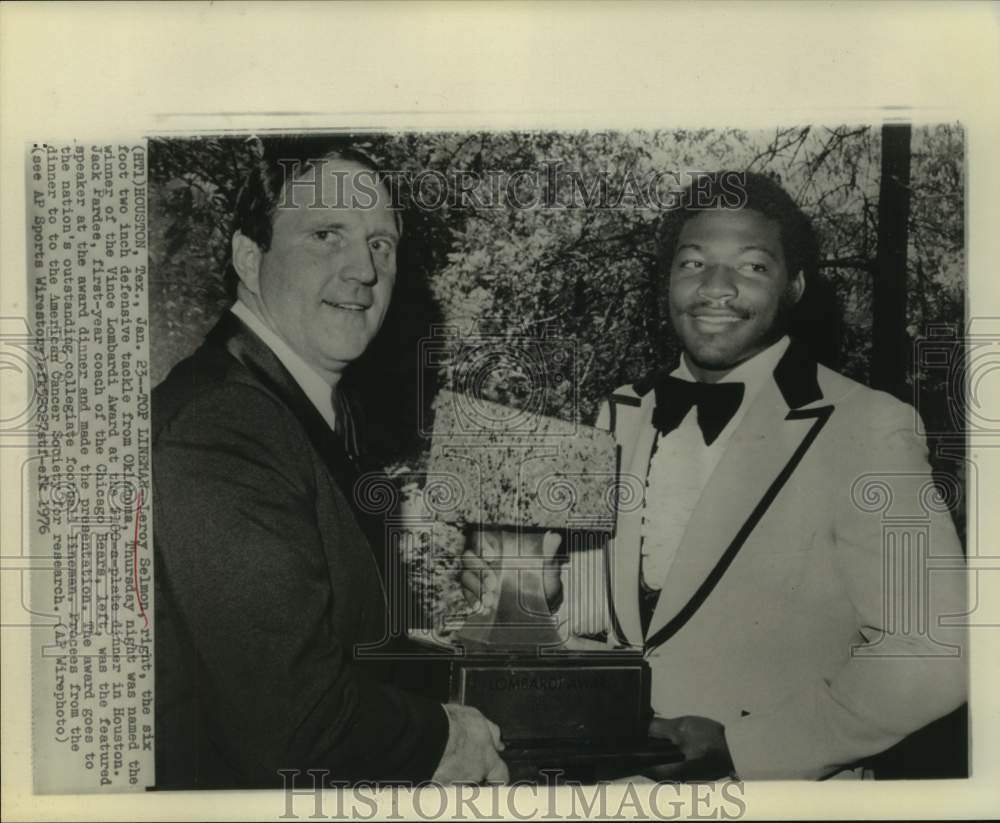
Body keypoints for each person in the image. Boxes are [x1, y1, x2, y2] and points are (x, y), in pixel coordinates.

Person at [463, 172, 967, 780]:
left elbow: (935, 653)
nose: (716, 288)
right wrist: (537, 599)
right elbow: (611, 619)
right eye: (694, 262)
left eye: (752, 267)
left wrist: (748, 747)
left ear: (796, 286)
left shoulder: (871, 427)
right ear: (668, 280)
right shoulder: (619, 414)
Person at [153, 137, 508, 789]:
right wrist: (449, 733)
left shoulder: (288, 410)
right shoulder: (223, 423)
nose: (364, 270)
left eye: (381, 243)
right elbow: (294, 723)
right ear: (248, 256)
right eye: (326, 234)